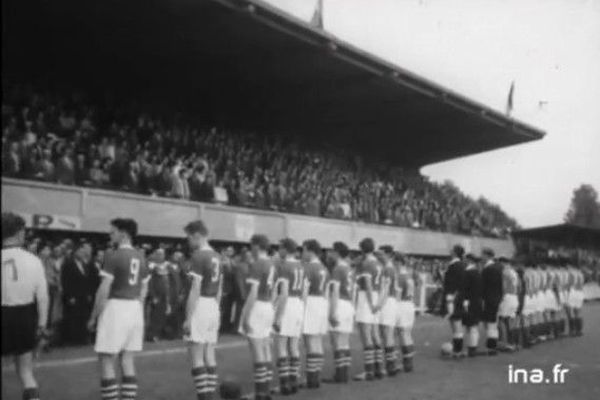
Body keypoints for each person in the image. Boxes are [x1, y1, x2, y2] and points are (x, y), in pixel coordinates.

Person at [87, 218, 150, 400]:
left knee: (107, 359)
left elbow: (103, 289)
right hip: (135, 307)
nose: (110, 234)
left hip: (116, 307)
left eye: (113, 231)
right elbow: (144, 288)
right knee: (128, 359)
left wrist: (93, 316)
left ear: (123, 233)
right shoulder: (140, 256)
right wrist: (138, 306)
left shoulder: (113, 256)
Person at [2, 212, 49, 400]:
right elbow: (43, 297)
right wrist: (42, 325)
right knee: (26, 372)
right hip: (24, 316)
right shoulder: (34, 260)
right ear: (20, 233)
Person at [183, 220, 222, 400]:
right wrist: (217, 308)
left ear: (196, 236)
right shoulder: (217, 256)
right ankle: (211, 394)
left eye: (189, 238)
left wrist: (188, 318)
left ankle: (204, 396)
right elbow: (220, 287)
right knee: (210, 352)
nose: (188, 241)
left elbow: (195, 289)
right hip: (213, 304)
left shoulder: (199, 256)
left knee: (196, 354)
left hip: (201, 304)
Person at [239, 234, 276, 400]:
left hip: (258, 305)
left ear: (256, 246)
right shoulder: (271, 263)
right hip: (268, 305)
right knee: (265, 347)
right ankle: (266, 390)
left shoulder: (257, 264)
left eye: (251, 246)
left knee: (257, 349)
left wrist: (246, 317)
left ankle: (261, 393)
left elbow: (253, 293)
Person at [272, 238, 305, 394]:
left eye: (280, 248)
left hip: (288, 303)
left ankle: (284, 384)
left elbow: (284, 293)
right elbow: (305, 292)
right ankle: (294, 382)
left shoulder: (284, 266)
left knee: (282, 345)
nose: (279, 251)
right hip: (298, 303)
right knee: (294, 345)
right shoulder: (301, 265)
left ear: (286, 249)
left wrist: (278, 316)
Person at [354, 237, 385, 381]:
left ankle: (369, 371)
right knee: (375, 334)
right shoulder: (379, 264)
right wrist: (379, 302)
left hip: (366, 298)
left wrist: (371, 303)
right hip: (378, 296)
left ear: (362, 249)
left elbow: (367, 284)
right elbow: (384, 285)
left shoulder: (366, 264)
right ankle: (380, 368)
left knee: (366, 335)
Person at [300, 239, 329, 388]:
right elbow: (326, 291)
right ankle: (316, 374)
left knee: (310, 341)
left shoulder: (308, 268)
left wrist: (301, 308)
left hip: (311, 302)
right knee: (317, 341)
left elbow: (304, 291)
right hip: (322, 303)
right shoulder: (324, 267)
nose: (302, 253)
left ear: (310, 251)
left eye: (304, 250)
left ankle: (311, 379)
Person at [326, 241, 355, 383]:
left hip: (341, 304)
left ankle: (339, 375)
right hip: (349, 304)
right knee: (344, 341)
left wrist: (332, 312)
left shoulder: (337, 269)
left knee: (337, 341)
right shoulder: (349, 268)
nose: (329, 254)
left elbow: (335, 291)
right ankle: (344, 373)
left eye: (331, 251)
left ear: (337, 252)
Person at [61, 241, 96, 345]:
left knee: (83, 317)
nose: (82, 254)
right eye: (80, 252)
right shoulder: (68, 264)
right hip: (73, 295)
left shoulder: (85, 265)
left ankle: (82, 338)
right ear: (75, 252)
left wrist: (89, 294)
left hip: (83, 296)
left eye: (83, 252)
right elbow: (65, 281)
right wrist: (70, 296)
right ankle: (71, 339)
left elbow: (88, 280)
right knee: (72, 317)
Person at [377, 245, 399, 376]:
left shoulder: (387, 269)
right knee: (388, 334)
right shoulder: (391, 268)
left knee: (386, 334)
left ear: (388, 254)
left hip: (387, 302)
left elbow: (385, 289)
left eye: (381, 254)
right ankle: (392, 364)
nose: (378, 256)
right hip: (392, 302)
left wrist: (379, 305)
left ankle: (389, 366)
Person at [394, 252, 416, 371]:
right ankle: (409, 361)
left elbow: (397, 296)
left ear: (398, 262)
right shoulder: (409, 276)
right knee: (407, 333)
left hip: (402, 305)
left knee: (401, 334)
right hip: (410, 305)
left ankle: (405, 363)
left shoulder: (400, 277)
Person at [443, 245, 467, 357]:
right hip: (455, 297)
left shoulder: (456, 266)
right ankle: (457, 348)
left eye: (452, 250)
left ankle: (457, 350)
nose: (450, 250)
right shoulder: (458, 265)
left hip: (453, 298)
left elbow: (454, 284)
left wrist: (450, 298)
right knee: (455, 323)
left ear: (455, 252)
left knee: (456, 323)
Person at [480, 248, 503, 355]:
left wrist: (482, 298)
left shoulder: (488, 269)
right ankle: (494, 343)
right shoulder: (498, 267)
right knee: (493, 322)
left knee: (489, 323)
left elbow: (483, 286)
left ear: (487, 255)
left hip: (489, 299)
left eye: (482, 255)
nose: (481, 257)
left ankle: (491, 346)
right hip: (496, 298)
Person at [460, 254, 483, 357]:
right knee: (472, 325)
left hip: (470, 302)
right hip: (477, 301)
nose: (463, 261)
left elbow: (465, 290)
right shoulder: (478, 272)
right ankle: (472, 347)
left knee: (471, 325)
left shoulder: (468, 273)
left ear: (469, 260)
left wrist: (465, 301)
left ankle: (472, 348)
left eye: (465, 259)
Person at [497, 257, 519, 352]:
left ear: (503, 263)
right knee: (511, 322)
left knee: (502, 320)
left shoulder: (505, 273)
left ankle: (503, 343)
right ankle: (513, 343)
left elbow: (504, 287)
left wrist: (500, 297)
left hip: (507, 297)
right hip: (514, 296)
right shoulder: (514, 272)